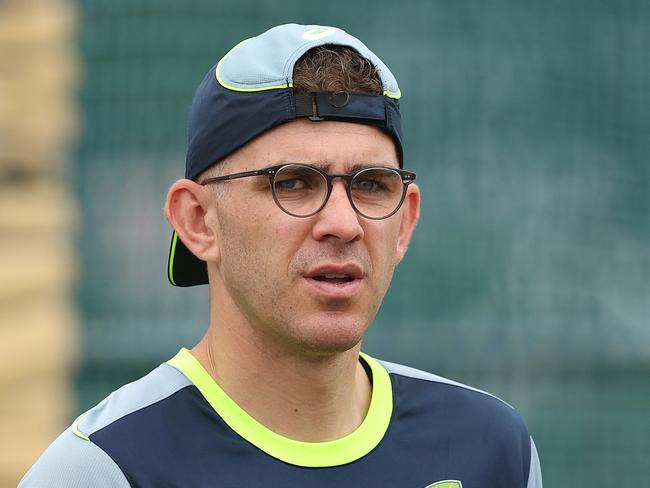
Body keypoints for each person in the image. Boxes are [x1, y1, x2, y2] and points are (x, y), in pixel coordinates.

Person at [20, 23, 542, 487]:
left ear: (405, 222)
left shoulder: (491, 449)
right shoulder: (105, 469)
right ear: (198, 222)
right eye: (292, 183)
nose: (343, 223)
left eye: (372, 186)